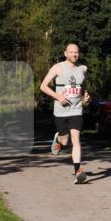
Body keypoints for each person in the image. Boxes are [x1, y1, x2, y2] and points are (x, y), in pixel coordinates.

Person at [40, 43, 91, 184]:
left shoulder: (83, 69)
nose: (74, 54)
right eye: (71, 52)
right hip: (61, 111)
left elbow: (83, 86)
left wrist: (85, 96)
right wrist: (58, 97)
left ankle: (78, 172)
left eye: (76, 52)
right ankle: (58, 140)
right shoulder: (58, 68)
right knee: (65, 141)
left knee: (76, 139)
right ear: (65, 53)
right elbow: (43, 86)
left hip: (76, 109)